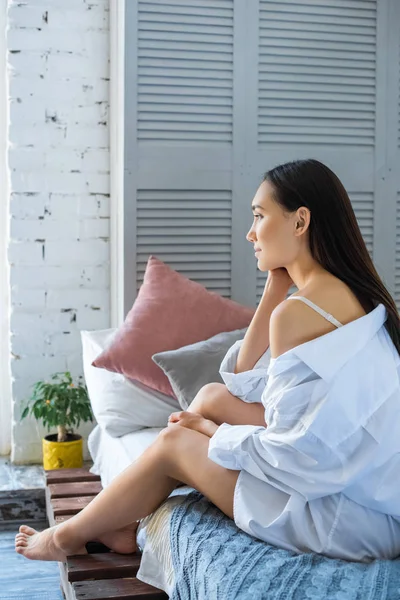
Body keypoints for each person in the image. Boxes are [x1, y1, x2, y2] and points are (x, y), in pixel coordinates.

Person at [15, 159, 400, 564]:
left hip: (344, 520)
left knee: (174, 442)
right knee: (212, 396)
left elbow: (292, 455)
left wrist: (211, 434)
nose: (250, 233)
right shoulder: (351, 293)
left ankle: (65, 538)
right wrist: (274, 289)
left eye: (259, 215)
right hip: (363, 493)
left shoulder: (299, 313)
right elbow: (241, 380)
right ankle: (123, 521)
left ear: (300, 221)